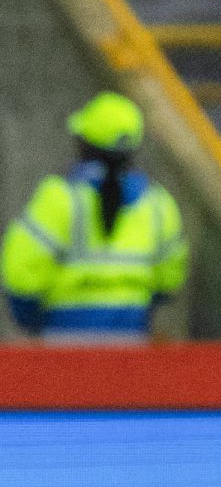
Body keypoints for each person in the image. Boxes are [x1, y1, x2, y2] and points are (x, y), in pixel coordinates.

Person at [2, 93, 186, 341]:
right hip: (131, 342)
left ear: (84, 143)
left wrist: (31, 319)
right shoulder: (158, 204)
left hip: (64, 342)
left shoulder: (59, 198)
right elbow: (169, 281)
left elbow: (21, 273)